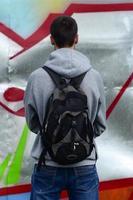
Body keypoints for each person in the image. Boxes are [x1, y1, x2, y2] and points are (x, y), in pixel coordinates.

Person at [24, 15, 106, 200]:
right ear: (76, 38)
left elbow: (32, 122)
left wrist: (52, 137)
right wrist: (79, 137)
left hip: (47, 163)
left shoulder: (37, 77)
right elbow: (99, 125)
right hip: (85, 164)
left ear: (51, 39)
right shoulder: (94, 77)